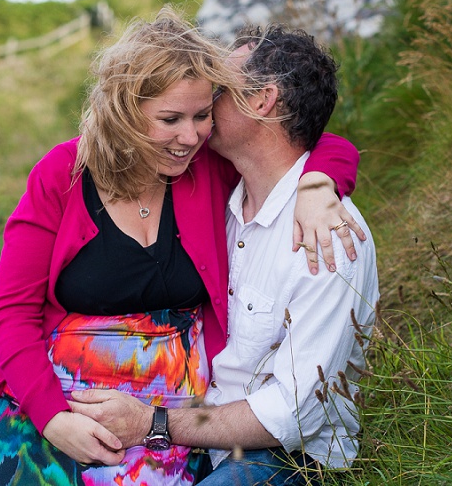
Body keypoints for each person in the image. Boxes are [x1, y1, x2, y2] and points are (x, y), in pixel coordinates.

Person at [0, 9, 363, 485]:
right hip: (48, 409)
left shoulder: (208, 168)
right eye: (170, 119)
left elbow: (305, 143)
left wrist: (320, 184)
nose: (189, 136)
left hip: (163, 427)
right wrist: (52, 419)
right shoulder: (63, 174)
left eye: (202, 115)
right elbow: (9, 312)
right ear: (125, 113)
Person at [70, 24, 380, 485]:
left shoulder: (325, 236)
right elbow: (330, 147)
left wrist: (154, 424)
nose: (203, 104)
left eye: (219, 89)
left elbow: (294, 416)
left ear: (262, 101)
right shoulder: (221, 193)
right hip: (197, 435)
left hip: (278, 458)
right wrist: (321, 177)